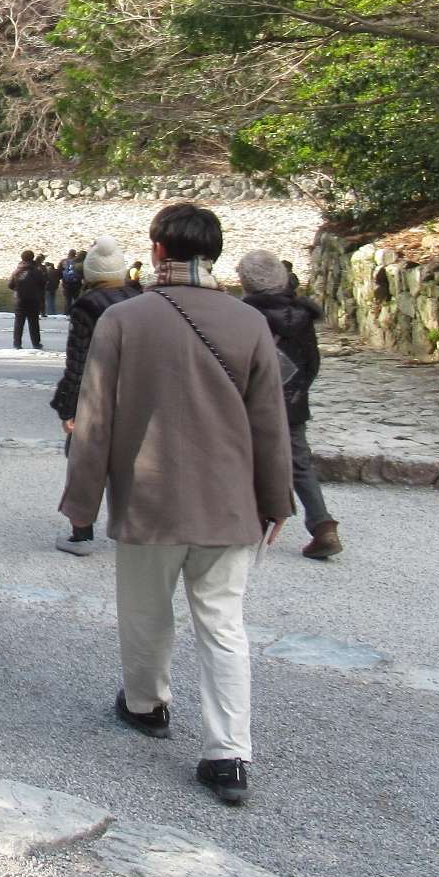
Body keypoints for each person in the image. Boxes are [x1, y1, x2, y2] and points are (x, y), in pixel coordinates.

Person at [61, 203, 294, 808]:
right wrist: (276, 502)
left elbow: (96, 420)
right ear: (212, 253)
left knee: (144, 612)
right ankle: (228, 754)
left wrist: (82, 501)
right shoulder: (249, 324)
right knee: (223, 625)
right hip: (228, 502)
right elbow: (271, 424)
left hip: (149, 495)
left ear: (157, 250)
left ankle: (146, 704)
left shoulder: (124, 320)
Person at [237, 250, 342, 561]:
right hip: (293, 400)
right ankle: (323, 525)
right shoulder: (302, 316)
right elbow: (312, 363)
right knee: (300, 463)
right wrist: (297, 392)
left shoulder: (246, 316)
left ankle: (250, 523)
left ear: (246, 282)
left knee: (246, 457)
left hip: (254, 400)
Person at [49, 238, 144, 555]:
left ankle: (82, 531)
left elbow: (79, 360)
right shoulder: (139, 300)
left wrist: (68, 406)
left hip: (97, 391)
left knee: (82, 461)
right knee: (134, 460)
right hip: (134, 391)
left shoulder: (89, 306)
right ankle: (135, 526)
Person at [8, 250, 46, 350]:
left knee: (19, 323)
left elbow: (10, 285)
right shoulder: (37, 271)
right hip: (34, 300)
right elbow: (43, 284)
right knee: (34, 323)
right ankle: (36, 343)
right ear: (33, 258)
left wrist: (18, 289)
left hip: (20, 300)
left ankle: (17, 343)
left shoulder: (17, 271)